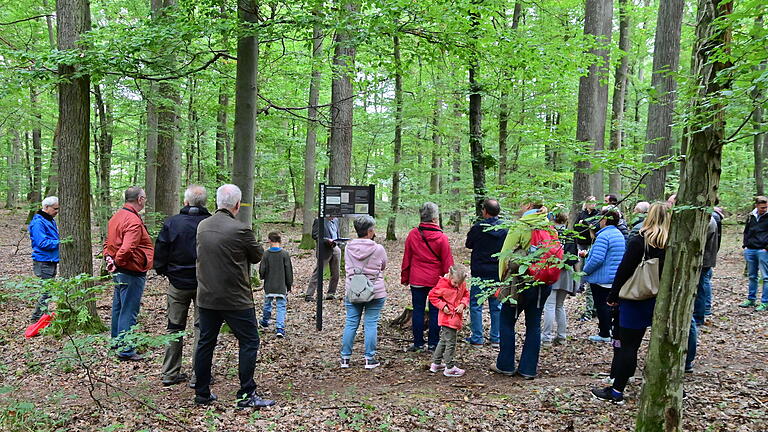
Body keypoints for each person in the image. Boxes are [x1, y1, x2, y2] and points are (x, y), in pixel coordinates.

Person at [193, 184, 273, 409]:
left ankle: (202, 393)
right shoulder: (241, 230)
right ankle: (246, 394)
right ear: (237, 205)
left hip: (207, 296)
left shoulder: (202, 226)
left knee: (205, 343)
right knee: (249, 341)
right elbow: (257, 255)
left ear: (217, 203)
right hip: (236, 299)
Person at [592, 202, 670, 403]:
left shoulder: (640, 241)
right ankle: (672, 387)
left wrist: (613, 296)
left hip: (636, 299)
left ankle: (617, 391)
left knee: (629, 346)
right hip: (661, 299)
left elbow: (624, 270)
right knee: (663, 345)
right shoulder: (672, 243)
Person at [154, 185, 211, 386]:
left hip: (178, 282)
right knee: (201, 329)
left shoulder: (172, 223)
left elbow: (160, 250)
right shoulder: (210, 223)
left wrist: (163, 270)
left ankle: (170, 372)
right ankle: (199, 375)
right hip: (204, 283)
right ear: (204, 203)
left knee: (174, 328)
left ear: (186, 202)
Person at [490, 202, 552, 379]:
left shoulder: (521, 225)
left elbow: (505, 254)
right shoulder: (548, 225)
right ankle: (528, 369)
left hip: (518, 283)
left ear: (528, 206)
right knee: (533, 325)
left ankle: (505, 365)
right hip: (542, 282)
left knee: (507, 320)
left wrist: (503, 279)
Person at [104, 187, 154, 361]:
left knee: (119, 307)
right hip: (130, 271)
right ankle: (125, 349)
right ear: (139, 199)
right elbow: (126, 248)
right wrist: (118, 262)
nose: (145, 201)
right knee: (129, 310)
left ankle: (116, 343)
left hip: (121, 270)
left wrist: (111, 260)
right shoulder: (132, 220)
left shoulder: (117, 216)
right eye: (145, 198)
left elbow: (108, 243)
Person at [401, 202, 454, 352]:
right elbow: (447, 262)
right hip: (435, 280)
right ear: (435, 218)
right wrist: (449, 281)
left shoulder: (413, 234)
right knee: (435, 311)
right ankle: (433, 344)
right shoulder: (441, 237)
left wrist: (405, 277)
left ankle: (418, 343)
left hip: (417, 279)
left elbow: (407, 258)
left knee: (418, 310)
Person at [340, 215, 388, 369]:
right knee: (371, 324)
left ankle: (345, 358)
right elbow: (383, 266)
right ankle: (369, 358)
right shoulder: (378, 248)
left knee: (351, 323)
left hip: (353, 290)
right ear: (369, 231)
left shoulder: (348, 247)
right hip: (374, 290)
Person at [579, 206, 626, 343]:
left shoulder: (604, 235)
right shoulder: (618, 234)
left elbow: (597, 259)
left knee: (602, 306)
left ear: (605, 220)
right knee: (611, 306)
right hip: (613, 276)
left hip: (602, 277)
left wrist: (585, 271)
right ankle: (612, 332)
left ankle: (605, 333)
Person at [465, 199, 507, 348]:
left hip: (480, 271)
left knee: (476, 305)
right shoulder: (505, 228)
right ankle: (496, 338)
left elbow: (468, 244)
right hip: (497, 271)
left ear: (485, 211)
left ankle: (477, 338)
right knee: (496, 305)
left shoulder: (478, 228)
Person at [541, 212, 578, 347]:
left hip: (552, 271)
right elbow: (574, 258)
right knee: (559, 306)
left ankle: (546, 338)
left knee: (549, 306)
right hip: (566, 272)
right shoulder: (570, 234)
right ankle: (561, 336)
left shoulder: (549, 234)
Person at [428, 264, 470, 377]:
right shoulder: (442, 284)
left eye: (459, 283)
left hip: (456, 317)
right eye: (455, 283)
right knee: (451, 342)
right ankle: (449, 367)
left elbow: (466, 294)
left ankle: (436, 363)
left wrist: (463, 304)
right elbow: (432, 296)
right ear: (450, 276)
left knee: (443, 340)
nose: (457, 285)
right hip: (447, 317)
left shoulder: (461, 284)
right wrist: (443, 306)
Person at [28, 196, 60, 322]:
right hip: (43, 261)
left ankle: (41, 318)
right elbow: (42, 242)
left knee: (48, 291)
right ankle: (36, 319)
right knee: (46, 292)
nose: (57, 211)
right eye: (55, 209)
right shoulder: (38, 222)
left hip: (50, 260)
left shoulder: (49, 220)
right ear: (46, 207)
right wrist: (60, 242)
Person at [259, 231, 293, 338]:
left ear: (269, 240)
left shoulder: (266, 254)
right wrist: (289, 284)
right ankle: (279, 328)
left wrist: (262, 276)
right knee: (281, 306)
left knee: (267, 304)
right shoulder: (284, 254)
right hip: (281, 285)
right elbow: (289, 271)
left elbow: (262, 269)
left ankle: (265, 321)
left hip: (269, 284)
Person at [740, 196, 768, 310]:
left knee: (766, 277)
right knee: (752, 276)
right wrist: (745, 245)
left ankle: (765, 302)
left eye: (766, 207)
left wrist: (766, 248)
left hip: (763, 250)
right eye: (762, 207)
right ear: (756, 206)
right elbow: (747, 231)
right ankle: (751, 299)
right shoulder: (751, 216)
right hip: (750, 249)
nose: (764, 209)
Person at [574, 196, 599, 321]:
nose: (592, 204)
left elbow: (594, 227)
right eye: (590, 202)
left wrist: (587, 224)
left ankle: (587, 282)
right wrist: (583, 225)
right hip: (582, 241)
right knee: (582, 264)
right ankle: (581, 283)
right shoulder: (582, 213)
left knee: (589, 264)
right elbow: (576, 227)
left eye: (594, 202)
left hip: (591, 242)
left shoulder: (597, 214)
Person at [305, 216, 341, 302]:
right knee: (318, 273)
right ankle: (309, 294)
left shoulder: (336, 221)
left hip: (335, 248)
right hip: (324, 249)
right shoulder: (319, 220)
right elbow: (315, 235)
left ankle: (331, 293)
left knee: (336, 273)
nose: (334, 216)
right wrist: (326, 240)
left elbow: (337, 233)